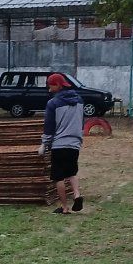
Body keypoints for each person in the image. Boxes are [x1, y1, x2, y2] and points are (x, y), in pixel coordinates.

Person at [39, 72, 84, 214]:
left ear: (58, 85)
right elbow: (81, 121)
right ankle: (77, 194)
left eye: (51, 86)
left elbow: (49, 127)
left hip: (59, 144)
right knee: (72, 172)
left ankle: (64, 207)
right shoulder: (80, 100)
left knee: (58, 177)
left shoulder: (53, 103)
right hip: (75, 144)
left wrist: (44, 144)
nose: (49, 89)